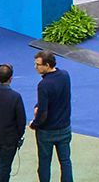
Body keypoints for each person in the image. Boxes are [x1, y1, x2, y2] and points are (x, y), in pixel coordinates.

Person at [31, 50, 73, 182]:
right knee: (65, 162)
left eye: (38, 64)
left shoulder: (43, 85)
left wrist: (34, 124)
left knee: (44, 163)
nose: (36, 67)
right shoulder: (65, 75)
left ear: (47, 65)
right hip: (64, 128)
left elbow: (43, 113)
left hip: (47, 133)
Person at [0, 63, 25, 182]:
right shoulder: (15, 97)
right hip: (9, 138)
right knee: (5, 165)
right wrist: (19, 136)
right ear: (10, 79)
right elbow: (21, 120)